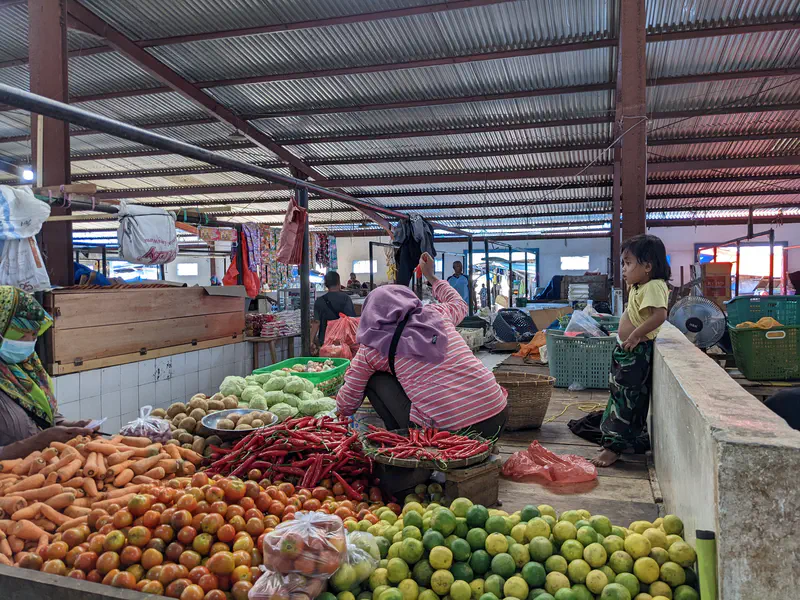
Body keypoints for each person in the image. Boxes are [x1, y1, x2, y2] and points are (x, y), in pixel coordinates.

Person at [336, 253, 508, 438]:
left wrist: (338, 403)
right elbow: (459, 304)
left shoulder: (372, 349)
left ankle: (404, 443)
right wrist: (430, 276)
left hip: (451, 434)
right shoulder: (437, 314)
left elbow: (347, 405)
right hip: (498, 416)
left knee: (374, 378)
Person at [593, 234, 670, 467]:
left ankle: (613, 447)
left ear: (647, 266)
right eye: (623, 264)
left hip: (636, 353)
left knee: (625, 401)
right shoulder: (640, 285)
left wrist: (636, 334)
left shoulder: (655, 286)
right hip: (626, 351)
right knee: (619, 396)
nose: (624, 269)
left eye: (628, 263)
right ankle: (625, 441)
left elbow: (660, 315)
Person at [0, 287, 94, 460]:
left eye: (34, 334)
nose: (29, 343)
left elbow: (41, 414)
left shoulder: (29, 368)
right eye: (21, 336)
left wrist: (69, 426)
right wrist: (38, 441)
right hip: (7, 481)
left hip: (43, 473)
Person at [311, 272, 356, 351]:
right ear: (339, 282)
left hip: (325, 341)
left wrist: (311, 341)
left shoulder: (319, 301)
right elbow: (351, 320)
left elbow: (316, 323)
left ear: (326, 284)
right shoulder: (346, 299)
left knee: (327, 363)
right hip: (343, 342)